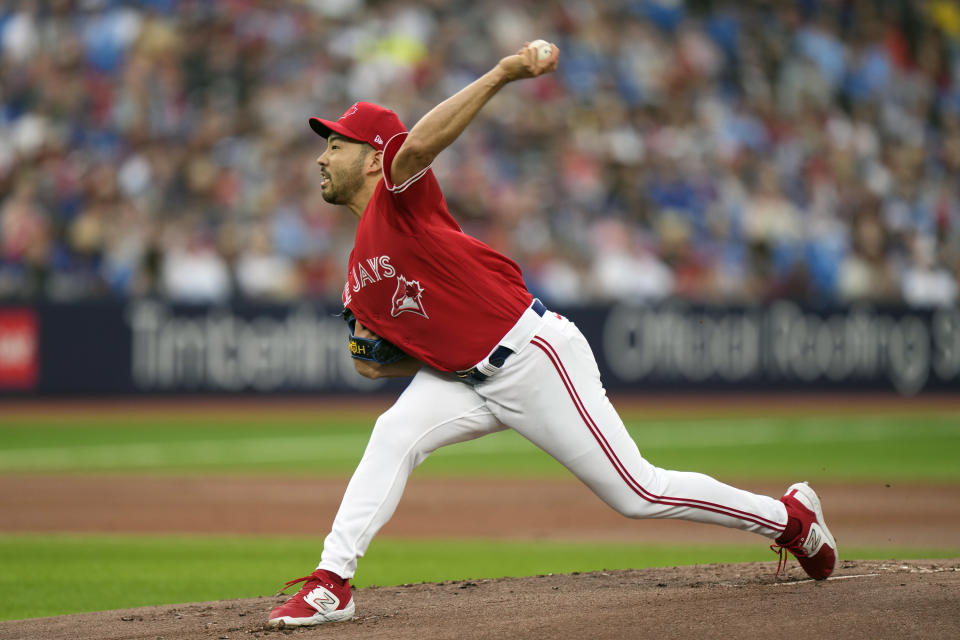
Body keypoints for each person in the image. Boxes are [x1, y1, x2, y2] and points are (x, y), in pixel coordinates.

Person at [267, 42, 838, 628]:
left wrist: (504, 71)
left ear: (371, 159)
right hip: (463, 377)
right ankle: (332, 581)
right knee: (393, 432)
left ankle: (789, 519)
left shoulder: (399, 197)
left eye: (336, 144)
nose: (322, 156)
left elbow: (418, 146)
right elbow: (369, 365)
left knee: (638, 493)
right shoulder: (357, 273)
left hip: (532, 356)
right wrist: (411, 356)